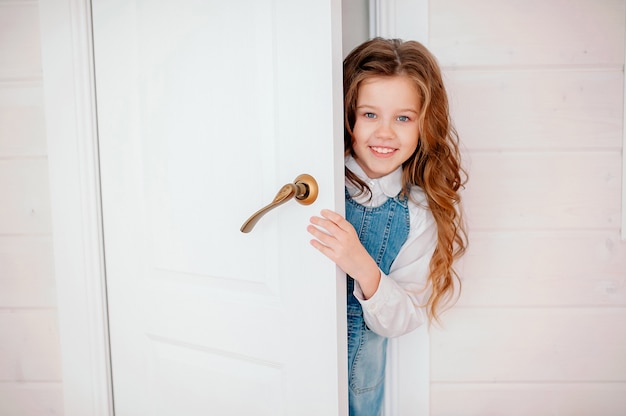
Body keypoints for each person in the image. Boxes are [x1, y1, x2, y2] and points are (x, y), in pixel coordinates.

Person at [307, 37, 467, 416]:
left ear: (425, 124)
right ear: (348, 114)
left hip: (356, 390)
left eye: (403, 118)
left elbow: (404, 316)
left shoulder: (417, 212)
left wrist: (361, 264)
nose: (384, 133)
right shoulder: (315, 185)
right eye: (369, 114)